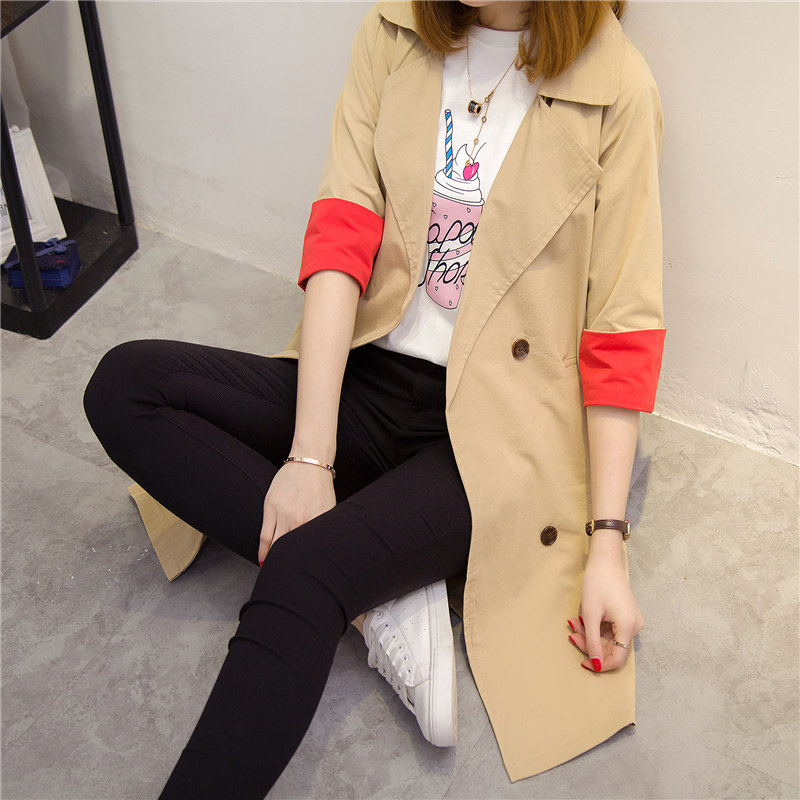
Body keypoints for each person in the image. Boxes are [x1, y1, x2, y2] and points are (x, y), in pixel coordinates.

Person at [83, 0, 664, 796]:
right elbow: (341, 234)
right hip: (368, 376)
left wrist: (606, 546)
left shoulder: (616, 84)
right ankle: (381, 599)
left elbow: (621, 331)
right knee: (126, 387)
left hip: (490, 433)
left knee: (305, 571)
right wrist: (309, 457)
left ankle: (348, 574)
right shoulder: (395, 32)